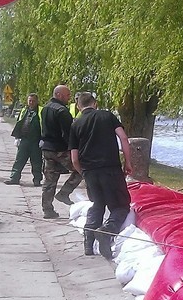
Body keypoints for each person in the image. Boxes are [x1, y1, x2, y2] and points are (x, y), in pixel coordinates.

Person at [70, 92, 133, 258]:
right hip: (110, 168)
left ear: (79, 106)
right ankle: (108, 230)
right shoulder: (107, 116)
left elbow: (74, 158)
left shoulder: (76, 124)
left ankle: (88, 244)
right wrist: (128, 162)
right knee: (120, 205)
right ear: (95, 103)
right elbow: (124, 138)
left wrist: (84, 173)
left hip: (90, 171)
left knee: (97, 204)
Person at [40, 84, 83, 219]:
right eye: (67, 95)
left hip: (47, 148)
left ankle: (47, 209)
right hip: (60, 149)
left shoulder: (45, 108)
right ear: (58, 94)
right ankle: (64, 192)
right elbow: (69, 133)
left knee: (49, 180)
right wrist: (73, 150)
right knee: (81, 169)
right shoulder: (62, 111)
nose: (69, 98)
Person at [5, 93, 43, 186]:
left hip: (36, 141)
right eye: (30, 100)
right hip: (24, 140)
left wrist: (43, 139)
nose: (31, 102)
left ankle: (37, 180)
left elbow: (45, 125)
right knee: (19, 160)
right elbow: (19, 124)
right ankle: (14, 178)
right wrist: (17, 138)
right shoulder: (24, 111)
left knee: (36, 162)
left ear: (37, 101)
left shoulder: (41, 111)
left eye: (33, 101)